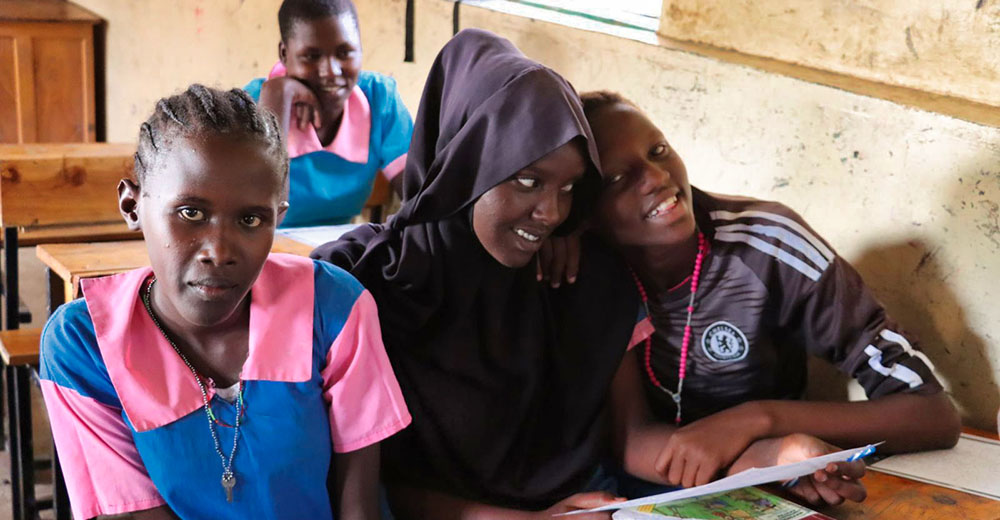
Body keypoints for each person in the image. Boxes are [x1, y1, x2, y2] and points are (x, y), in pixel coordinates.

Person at [311, 30, 864, 519]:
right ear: (465, 162)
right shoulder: (361, 283)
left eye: (570, 187)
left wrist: (772, 457)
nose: (551, 213)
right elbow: (359, 477)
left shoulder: (579, 279)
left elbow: (635, 442)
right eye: (528, 181)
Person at [38, 85, 410, 519]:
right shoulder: (85, 345)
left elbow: (358, 504)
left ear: (279, 216)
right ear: (132, 206)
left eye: (251, 220)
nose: (219, 250)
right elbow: (132, 513)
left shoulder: (333, 308)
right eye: (190, 213)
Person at [572, 90, 960, 498]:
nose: (656, 176)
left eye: (659, 150)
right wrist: (765, 460)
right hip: (658, 483)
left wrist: (760, 420)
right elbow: (632, 441)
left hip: (768, 485)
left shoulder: (770, 248)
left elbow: (932, 413)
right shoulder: (593, 273)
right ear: (584, 214)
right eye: (618, 178)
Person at [245, 0, 413, 227]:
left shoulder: (379, 97)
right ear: (284, 54)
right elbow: (263, 215)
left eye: (344, 52)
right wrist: (278, 101)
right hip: (265, 252)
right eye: (312, 56)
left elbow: (417, 194)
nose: (331, 72)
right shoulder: (251, 103)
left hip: (338, 251)